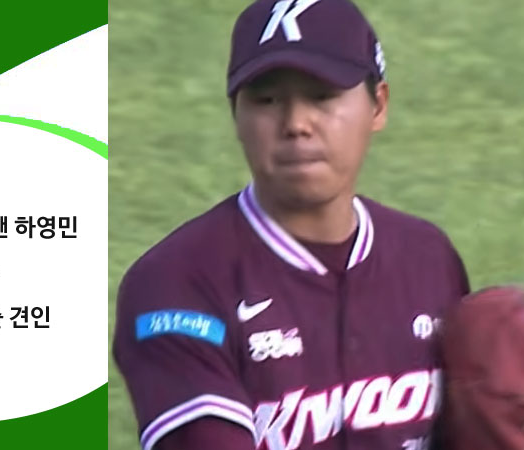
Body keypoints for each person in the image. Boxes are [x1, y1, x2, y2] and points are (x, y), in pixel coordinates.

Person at [113, 0, 470, 449]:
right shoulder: (176, 284)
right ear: (236, 114)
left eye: (321, 96)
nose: (296, 124)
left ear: (377, 106)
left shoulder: (429, 258)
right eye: (267, 100)